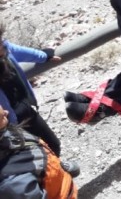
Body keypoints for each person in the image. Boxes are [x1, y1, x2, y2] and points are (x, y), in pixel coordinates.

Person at [0, 24, 79, 178]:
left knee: (52, 144)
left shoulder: (5, 49)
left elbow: (20, 51)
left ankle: (56, 170)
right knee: (25, 159)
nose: (2, 44)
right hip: (6, 126)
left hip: (25, 111)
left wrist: (45, 56)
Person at [0, 105, 78, 199]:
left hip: (56, 180)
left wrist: (58, 168)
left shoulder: (6, 134)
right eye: (1, 118)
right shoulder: (12, 183)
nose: (7, 112)